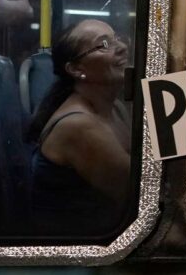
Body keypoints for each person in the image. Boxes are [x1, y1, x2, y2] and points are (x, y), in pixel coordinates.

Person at [26, 20, 132, 235]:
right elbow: (139, 194)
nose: (122, 47)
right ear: (76, 69)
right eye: (103, 45)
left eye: (117, 38)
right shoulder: (78, 126)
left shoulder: (117, 107)